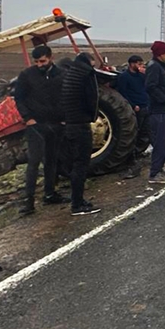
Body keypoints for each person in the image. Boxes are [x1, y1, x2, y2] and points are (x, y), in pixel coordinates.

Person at [13, 44, 65, 216]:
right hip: (36, 125)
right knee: (34, 162)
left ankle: (49, 194)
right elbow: (18, 98)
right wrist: (28, 118)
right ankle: (28, 201)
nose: (39, 65)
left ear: (50, 57)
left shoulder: (60, 75)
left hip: (56, 123)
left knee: (52, 160)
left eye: (42, 61)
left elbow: (65, 96)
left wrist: (64, 118)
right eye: (36, 62)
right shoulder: (27, 76)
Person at [60, 52, 101, 216]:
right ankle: (77, 204)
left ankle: (77, 200)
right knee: (81, 164)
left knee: (75, 163)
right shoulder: (86, 74)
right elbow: (92, 98)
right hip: (80, 124)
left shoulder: (69, 74)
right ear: (89, 62)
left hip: (69, 124)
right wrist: (92, 115)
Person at [145, 40, 165, 184]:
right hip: (159, 110)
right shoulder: (154, 67)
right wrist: (164, 99)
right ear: (160, 54)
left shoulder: (161, 66)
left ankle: (160, 168)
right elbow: (150, 87)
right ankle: (154, 173)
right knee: (160, 141)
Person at [113, 55, 151, 175]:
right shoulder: (124, 77)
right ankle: (131, 156)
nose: (140, 66)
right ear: (131, 64)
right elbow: (123, 93)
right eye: (138, 63)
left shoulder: (141, 76)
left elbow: (147, 88)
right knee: (135, 132)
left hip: (145, 106)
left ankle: (139, 151)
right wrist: (133, 105)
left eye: (141, 63)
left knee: (146, 131)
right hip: (135, 108)